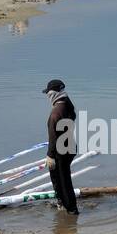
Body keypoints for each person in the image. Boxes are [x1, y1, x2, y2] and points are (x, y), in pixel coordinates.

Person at [43, 79, 78, 215]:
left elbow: (53, 137)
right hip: (70, 147)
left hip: (60, 152)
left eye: (48, 93)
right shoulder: (68, 106)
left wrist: (50, 156)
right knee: (64, 178)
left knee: (61, 181)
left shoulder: (55, 113)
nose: (47, 96)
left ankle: (70, 209)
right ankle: (64, 204)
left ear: (53, 93)